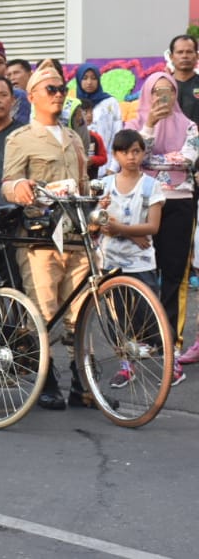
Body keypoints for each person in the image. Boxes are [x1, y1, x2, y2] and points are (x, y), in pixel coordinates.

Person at [2, 59, 92, 410]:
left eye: (61, 90)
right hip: (39, 238)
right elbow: (8, 183)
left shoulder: (73, 136)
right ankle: (46, 379)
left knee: (81, 310)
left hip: (75, 233)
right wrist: (20, 186)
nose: (58, 96)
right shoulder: (20, 138)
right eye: (50, 90)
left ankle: (82, 382)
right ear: (32, 96)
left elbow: (83, 183)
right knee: (43, 309)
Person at [125, 70, 197, 386]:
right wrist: (150, 124)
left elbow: (189, 160)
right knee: (139, 273)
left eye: (168, 91)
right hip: (143, 203)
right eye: (157, 92)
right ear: (147, 95)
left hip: (180, 206)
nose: (162, 98)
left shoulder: (191, 126)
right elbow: (134, 157)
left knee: (172, 274)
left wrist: (154, 163)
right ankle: (140, 340)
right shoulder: (135, 126)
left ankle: (170, 343)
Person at [98, 129, 166, 386]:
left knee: (149, 316)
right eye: (125, 152)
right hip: (111, 261)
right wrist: (128, 233)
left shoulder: (151, 185)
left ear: (143, 152)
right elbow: (101, 222)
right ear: (115, 154)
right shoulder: (105, 185)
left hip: (141, 262)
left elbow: (153, 227)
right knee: (117, 319)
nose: (131, 157)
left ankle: (170, 359)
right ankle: (126, 366)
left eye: (136, 151)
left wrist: (122, 230)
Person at [74, 64, 122, 175]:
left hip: (106, 166)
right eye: (85, 78)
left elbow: (117, 134)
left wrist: (113, 167)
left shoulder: (110, 102)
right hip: (80, 170)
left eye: (93, 78)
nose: (89, 82)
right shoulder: (74, 105)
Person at [72, 99, 107, 180]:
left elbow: (104, 158)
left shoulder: (96, 137)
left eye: (91, 112)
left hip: (91, 179)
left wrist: (93, 160)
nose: (89, 115)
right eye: (85, 112)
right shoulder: (69, 136)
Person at [167, 35, 199, 124]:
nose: (184, 56)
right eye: (180, 52)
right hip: (169, 137)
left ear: (197, 56)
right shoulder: (162, 85)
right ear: (171, 57)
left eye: (189, 52)